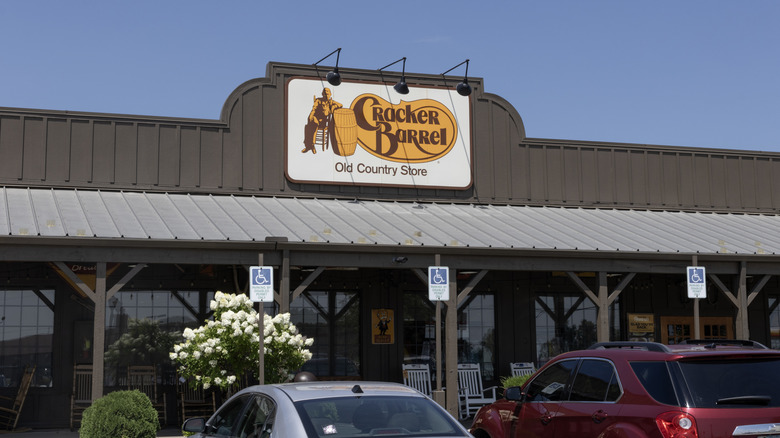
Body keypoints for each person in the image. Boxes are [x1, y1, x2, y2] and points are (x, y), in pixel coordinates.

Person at [302, 87, 343, 154]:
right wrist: (310, 116)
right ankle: (309, 145)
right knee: (308, 126)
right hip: (315, 119)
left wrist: (333, 107)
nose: (326, 95)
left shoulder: (331, 102)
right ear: (322, 94)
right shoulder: (318, 100)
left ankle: (310, 146)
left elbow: (340, 105)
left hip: (323, 122)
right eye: (325, 93)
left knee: (310, 126)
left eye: (327, 93)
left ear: (330, 94)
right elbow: (313, 109)